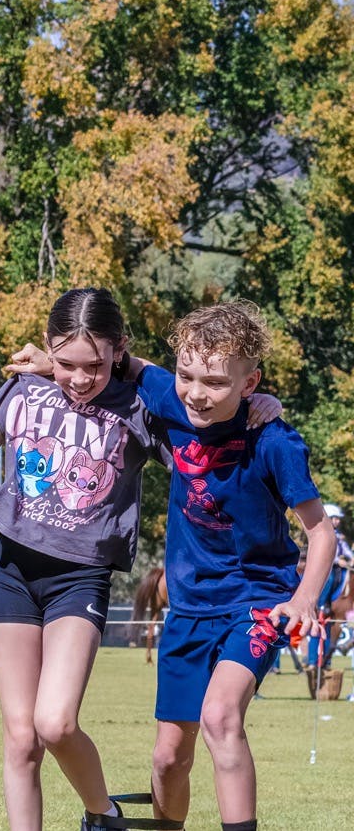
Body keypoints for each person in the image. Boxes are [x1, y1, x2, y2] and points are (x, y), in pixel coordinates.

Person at [0, 288, 161, 831]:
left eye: (95, 365)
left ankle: (104, 814)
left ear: (119, 349)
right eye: (66, 363)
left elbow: (194, 398)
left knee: (55, 723)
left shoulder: (138, 406)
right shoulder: (24, 390)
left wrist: (131, 368)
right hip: (13, 573)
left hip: (80, 578)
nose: (79, 378)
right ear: (47, 346)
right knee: (21, 738)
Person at [131, 303, 332, 831]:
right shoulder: (173, 400)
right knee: (167, 758)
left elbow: (321, 532)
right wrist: (50, 362)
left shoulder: (275, 441)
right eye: (187, 375)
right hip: (188, 610)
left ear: (250, 383)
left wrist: (304, 598)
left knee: (220, 717)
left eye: (216, 382)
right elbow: (126, 365)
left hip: (258, 601)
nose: (196, 393)